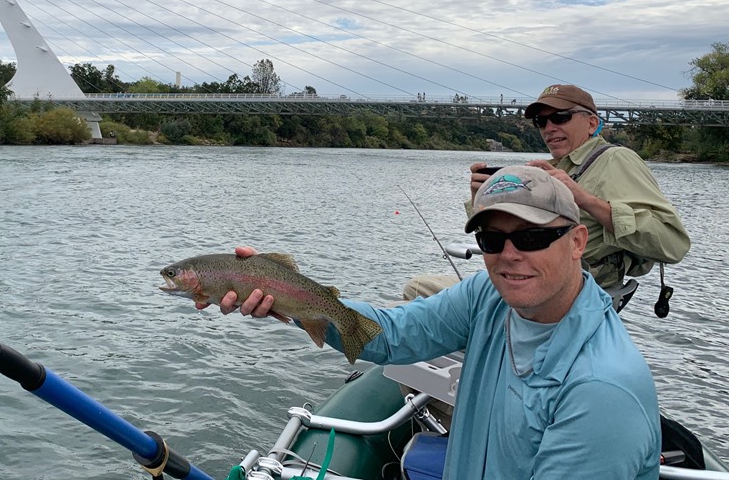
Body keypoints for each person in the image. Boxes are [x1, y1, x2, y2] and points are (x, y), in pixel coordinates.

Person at [207, 167, 661, 480]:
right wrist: (285, 298)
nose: (509, 254)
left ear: (578, 241)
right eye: (491, 238)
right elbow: (393, 334)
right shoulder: (488, 296)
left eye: (533, 236)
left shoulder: (601, 391)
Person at [471, 84, 690, 290]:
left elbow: (673, 245)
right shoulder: (555, 168)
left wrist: (584, 199)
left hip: (574, 294)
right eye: (541, 121)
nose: (549, 128)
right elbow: (508, 236)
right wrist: (481, 200)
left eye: (560, 117)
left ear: (592, 124)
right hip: (522, 282)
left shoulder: (616, 160)